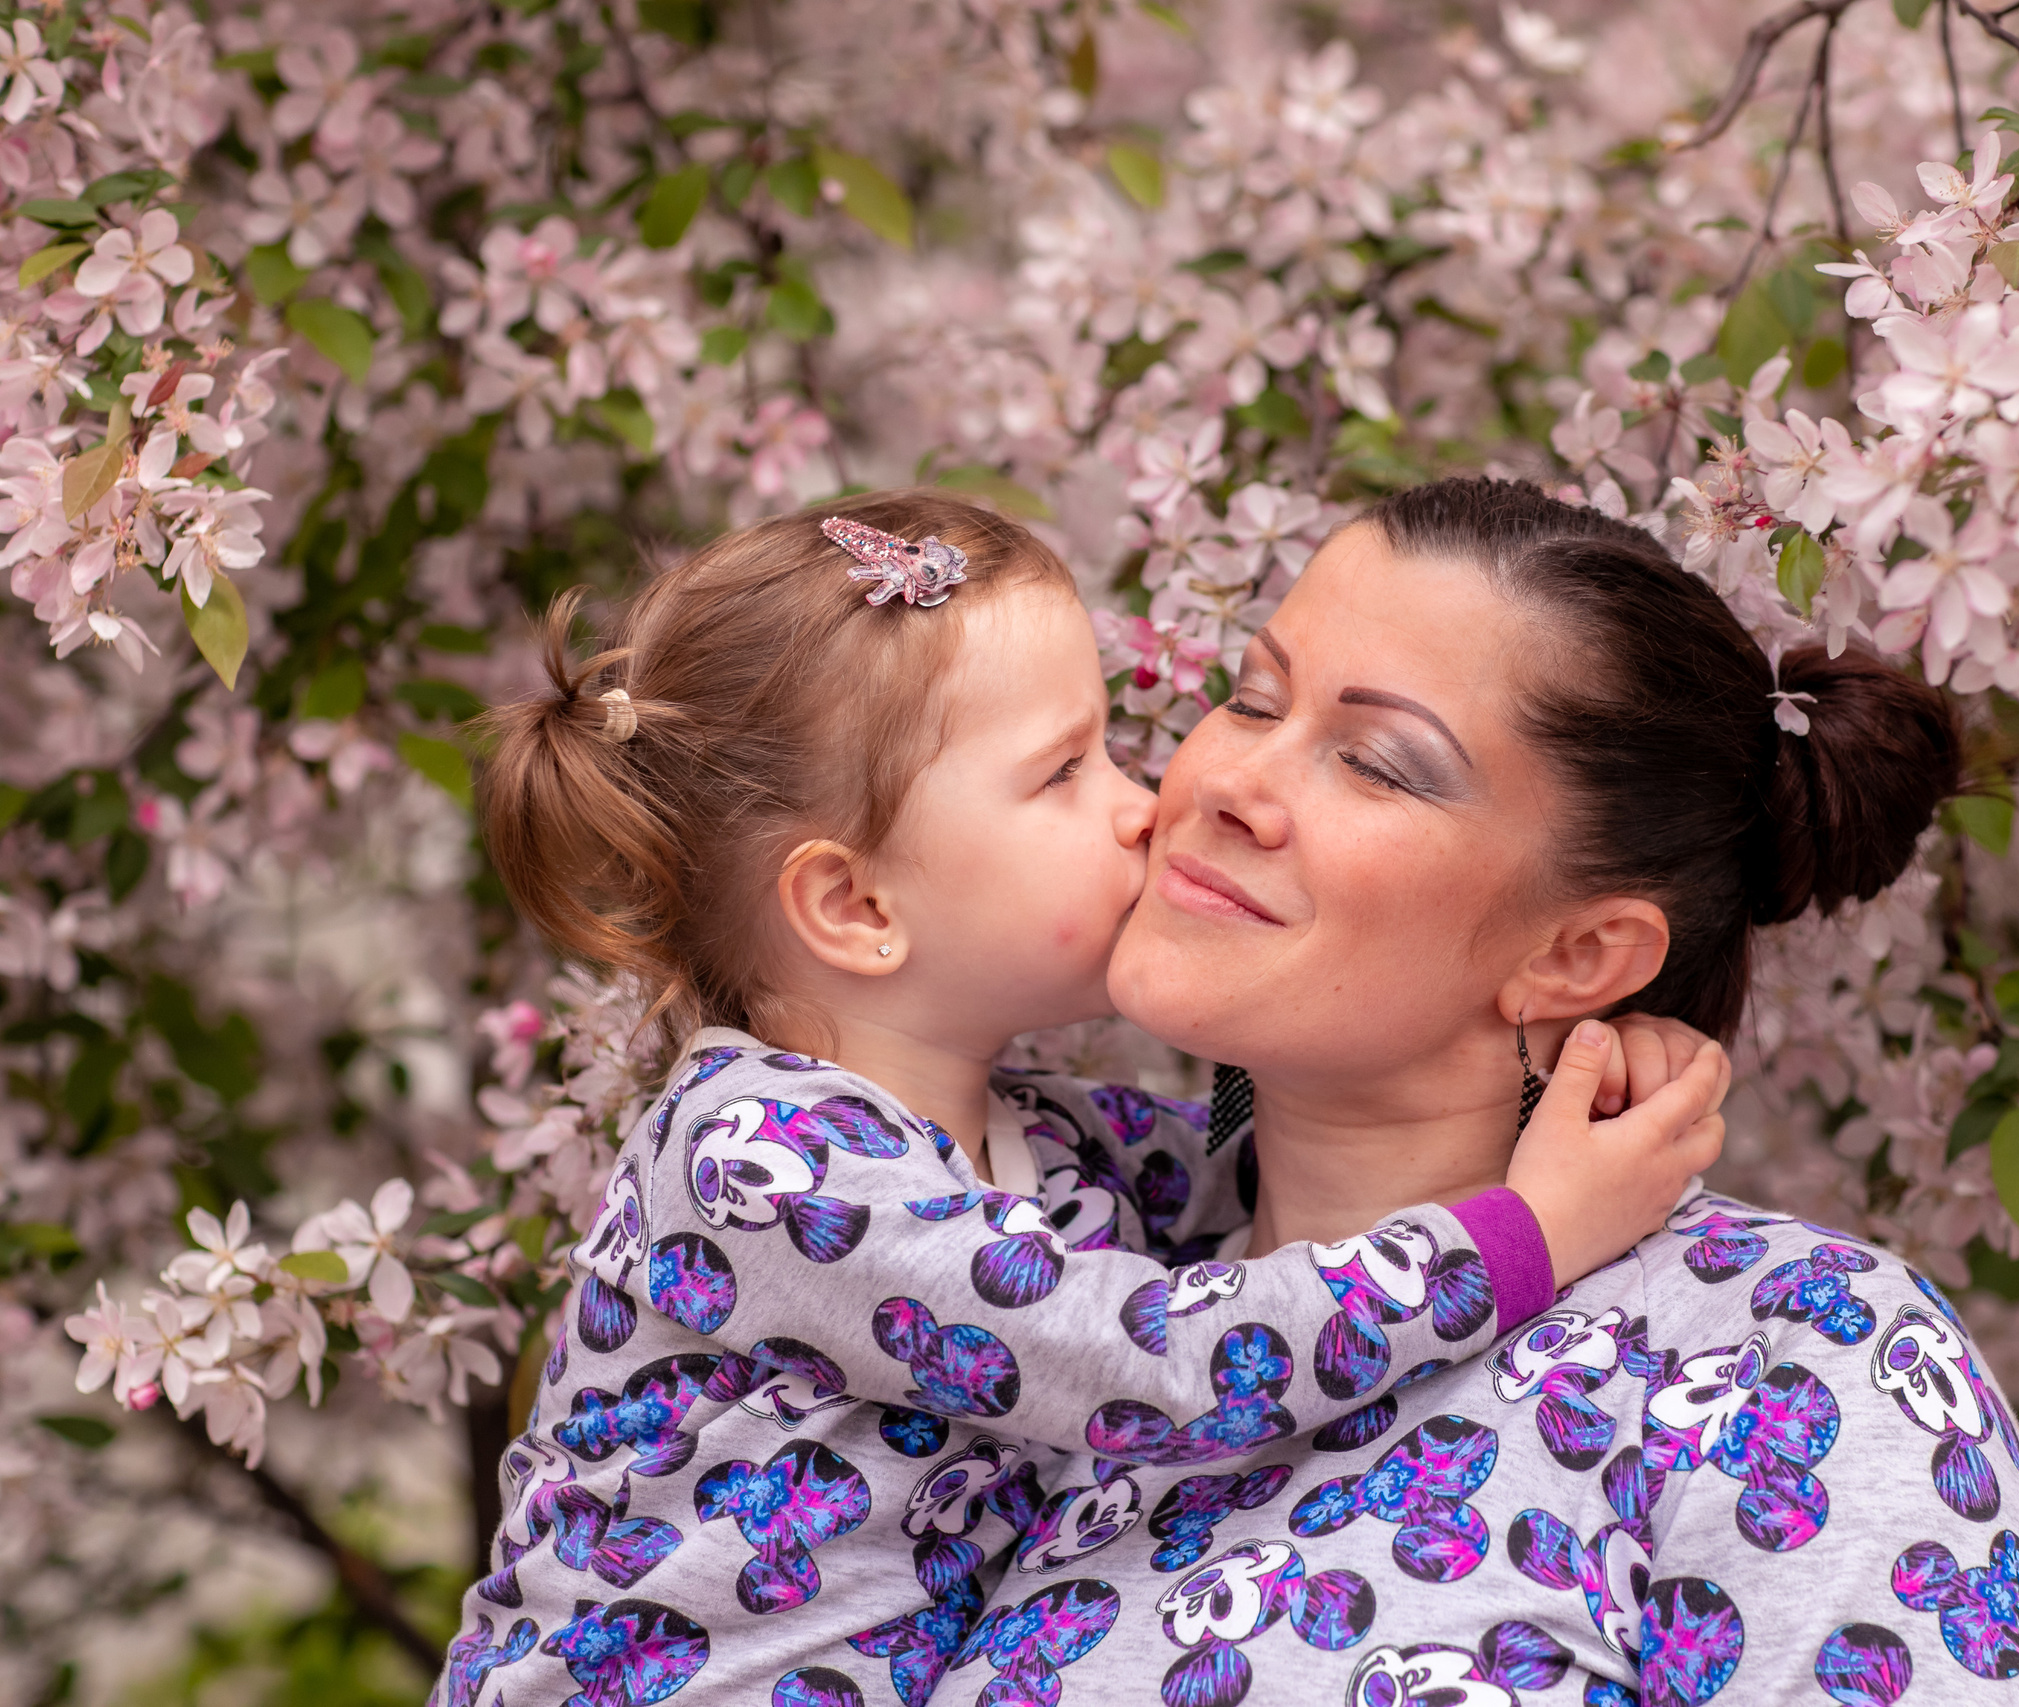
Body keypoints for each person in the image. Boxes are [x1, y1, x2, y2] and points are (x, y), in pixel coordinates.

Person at [428, 491, 1730, 1707]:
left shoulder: (1043, 1143)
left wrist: (1595, 1067)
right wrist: (1534, 1225)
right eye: (1064, 773)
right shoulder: (762, 1161)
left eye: (1112, 752)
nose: (1148, 802)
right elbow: (1171, 1355)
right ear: (857, 905)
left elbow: (1319, 1165)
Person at [922, 478, 2019, 1707]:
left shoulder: (1790, 1361)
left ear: (1574, 956)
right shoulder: (1047, 1268)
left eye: (1375, 763)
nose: (1225, 783)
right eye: (1250, 698)